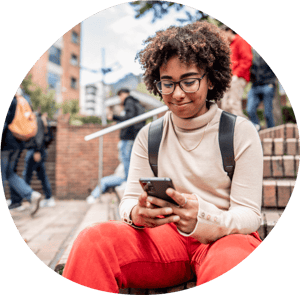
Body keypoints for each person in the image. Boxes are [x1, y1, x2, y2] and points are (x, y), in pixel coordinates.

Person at [63, 21, 263, 293]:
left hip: (227, 237)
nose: (177, 94)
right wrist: (137, 213)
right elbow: (130, 199)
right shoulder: (149, 136)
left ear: (212, 78)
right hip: (167, 239)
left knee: (231, 263)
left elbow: (250, 215)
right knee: (92, 241)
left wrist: (202, 217)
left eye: (189, 81)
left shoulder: (240, 132)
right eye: (167, 83)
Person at [1, 87, 43, 216]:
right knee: (9, 173)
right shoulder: (22, 101)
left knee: (3, 174)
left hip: (5, 143)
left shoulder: (10, 101)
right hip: (18, 142)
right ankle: (31, 195)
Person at [107, 88, 144, 180]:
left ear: (123, 94)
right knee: (129, 158)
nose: (120, 99)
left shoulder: (129, 101)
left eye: (120, 96)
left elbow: (129, 117)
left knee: (126, 158)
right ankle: (130, 179)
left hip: (128, 136)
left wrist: (114, 117)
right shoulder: (134, 102)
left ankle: (128, 180)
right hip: (132, 135)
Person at [22, 112, 55, 207]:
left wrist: (37, 151)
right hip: (39, 150)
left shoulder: (37, 119)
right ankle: (49, 198)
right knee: (42, 175)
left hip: (35, 151)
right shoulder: (43, 121)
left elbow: (38, 136)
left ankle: (28, 198)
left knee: (27, 176)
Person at [220, 24, 252, 117]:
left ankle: (246, 128)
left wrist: (236, 75)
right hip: (230, 79)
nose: (222, 37)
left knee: (233, 104)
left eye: (222, 34)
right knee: (225, 107)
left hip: (238, 78)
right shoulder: (229, 45)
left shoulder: (241, 40)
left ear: (229, 31)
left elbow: (247, 60)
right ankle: (232, 129)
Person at [247, 49, 277, 130]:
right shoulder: (252, 52)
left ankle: (272, 133)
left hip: (268, 85)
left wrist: (272, 82)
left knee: (267, 113)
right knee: (250, 110)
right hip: (255, 85)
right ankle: (257, 130)